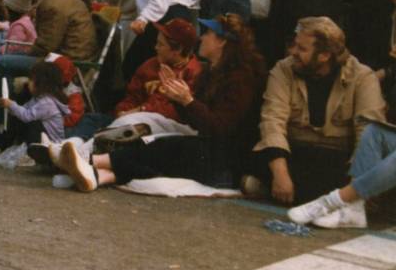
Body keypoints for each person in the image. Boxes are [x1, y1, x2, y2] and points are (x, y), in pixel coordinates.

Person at [53, 15, 265, 192]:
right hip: (208, 145)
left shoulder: (240, 79)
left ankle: (90, 162)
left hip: (226, 155)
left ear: (222, 42)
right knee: (155, 146)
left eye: (208, 34)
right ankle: (99, 175)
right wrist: (179, 99)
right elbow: (192, 119)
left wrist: (187, 101)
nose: (202, 38)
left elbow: (220, 127)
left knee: (166, 148)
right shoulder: (210, 72)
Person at [246, 17, 386, 204]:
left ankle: (292, 193)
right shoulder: (283, 69)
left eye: (302, 49)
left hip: (336, 158)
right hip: (294, 153)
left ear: (324, 55)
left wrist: (355, 190)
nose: (292, 52)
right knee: (256, 155)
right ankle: (301, 192)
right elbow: (272, 121)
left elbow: (368, 135)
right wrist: (280, 174)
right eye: (294, 45)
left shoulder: (362, 77)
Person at [113, 18, 203, 121]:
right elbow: (132, 96)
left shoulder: (194, 73)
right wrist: (121, 111)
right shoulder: (150, 65)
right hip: (130, 122)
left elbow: (172, 112)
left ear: (177, 50)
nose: (156, 47)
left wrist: (139, 111)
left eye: (161, 44)